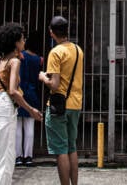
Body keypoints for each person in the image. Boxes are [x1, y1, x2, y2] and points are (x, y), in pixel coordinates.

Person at [0, 22, 42, 185]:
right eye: (22, 39)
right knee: (6, 155)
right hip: (5, 107)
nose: (24, 41)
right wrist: (31, 109)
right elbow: (12, 91)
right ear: (15, 42)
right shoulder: (14, 62)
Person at [39, 16, 84, 185]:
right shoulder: (78, 50)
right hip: (75, 104)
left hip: (59, 106)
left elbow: (55, 85)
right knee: (72, 147)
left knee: (61, 150)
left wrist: (43, 77)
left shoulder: (56, 52)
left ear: (51, 32)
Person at [15, 30, 44, 167]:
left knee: (17, 126)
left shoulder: (21, 56)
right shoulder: (39, 59)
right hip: (32, 93)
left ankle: (18, 156)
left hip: (20, 91)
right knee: (29, 126)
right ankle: (28, 156)